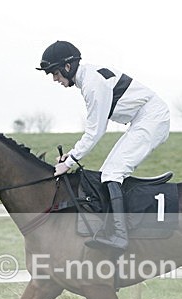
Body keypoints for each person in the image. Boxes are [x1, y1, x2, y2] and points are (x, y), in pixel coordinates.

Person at [36, 40, 170, 251]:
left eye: (55, 73)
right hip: (144, 119)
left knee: (112, 173)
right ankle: (117, 230)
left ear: (67, 67)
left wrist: (69, 161)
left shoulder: (92, 84)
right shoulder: (88, 78)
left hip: (151, 118)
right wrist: (71, 155)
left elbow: (95, 132)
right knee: (108, 172)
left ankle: (120, 235)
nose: (55, 79)